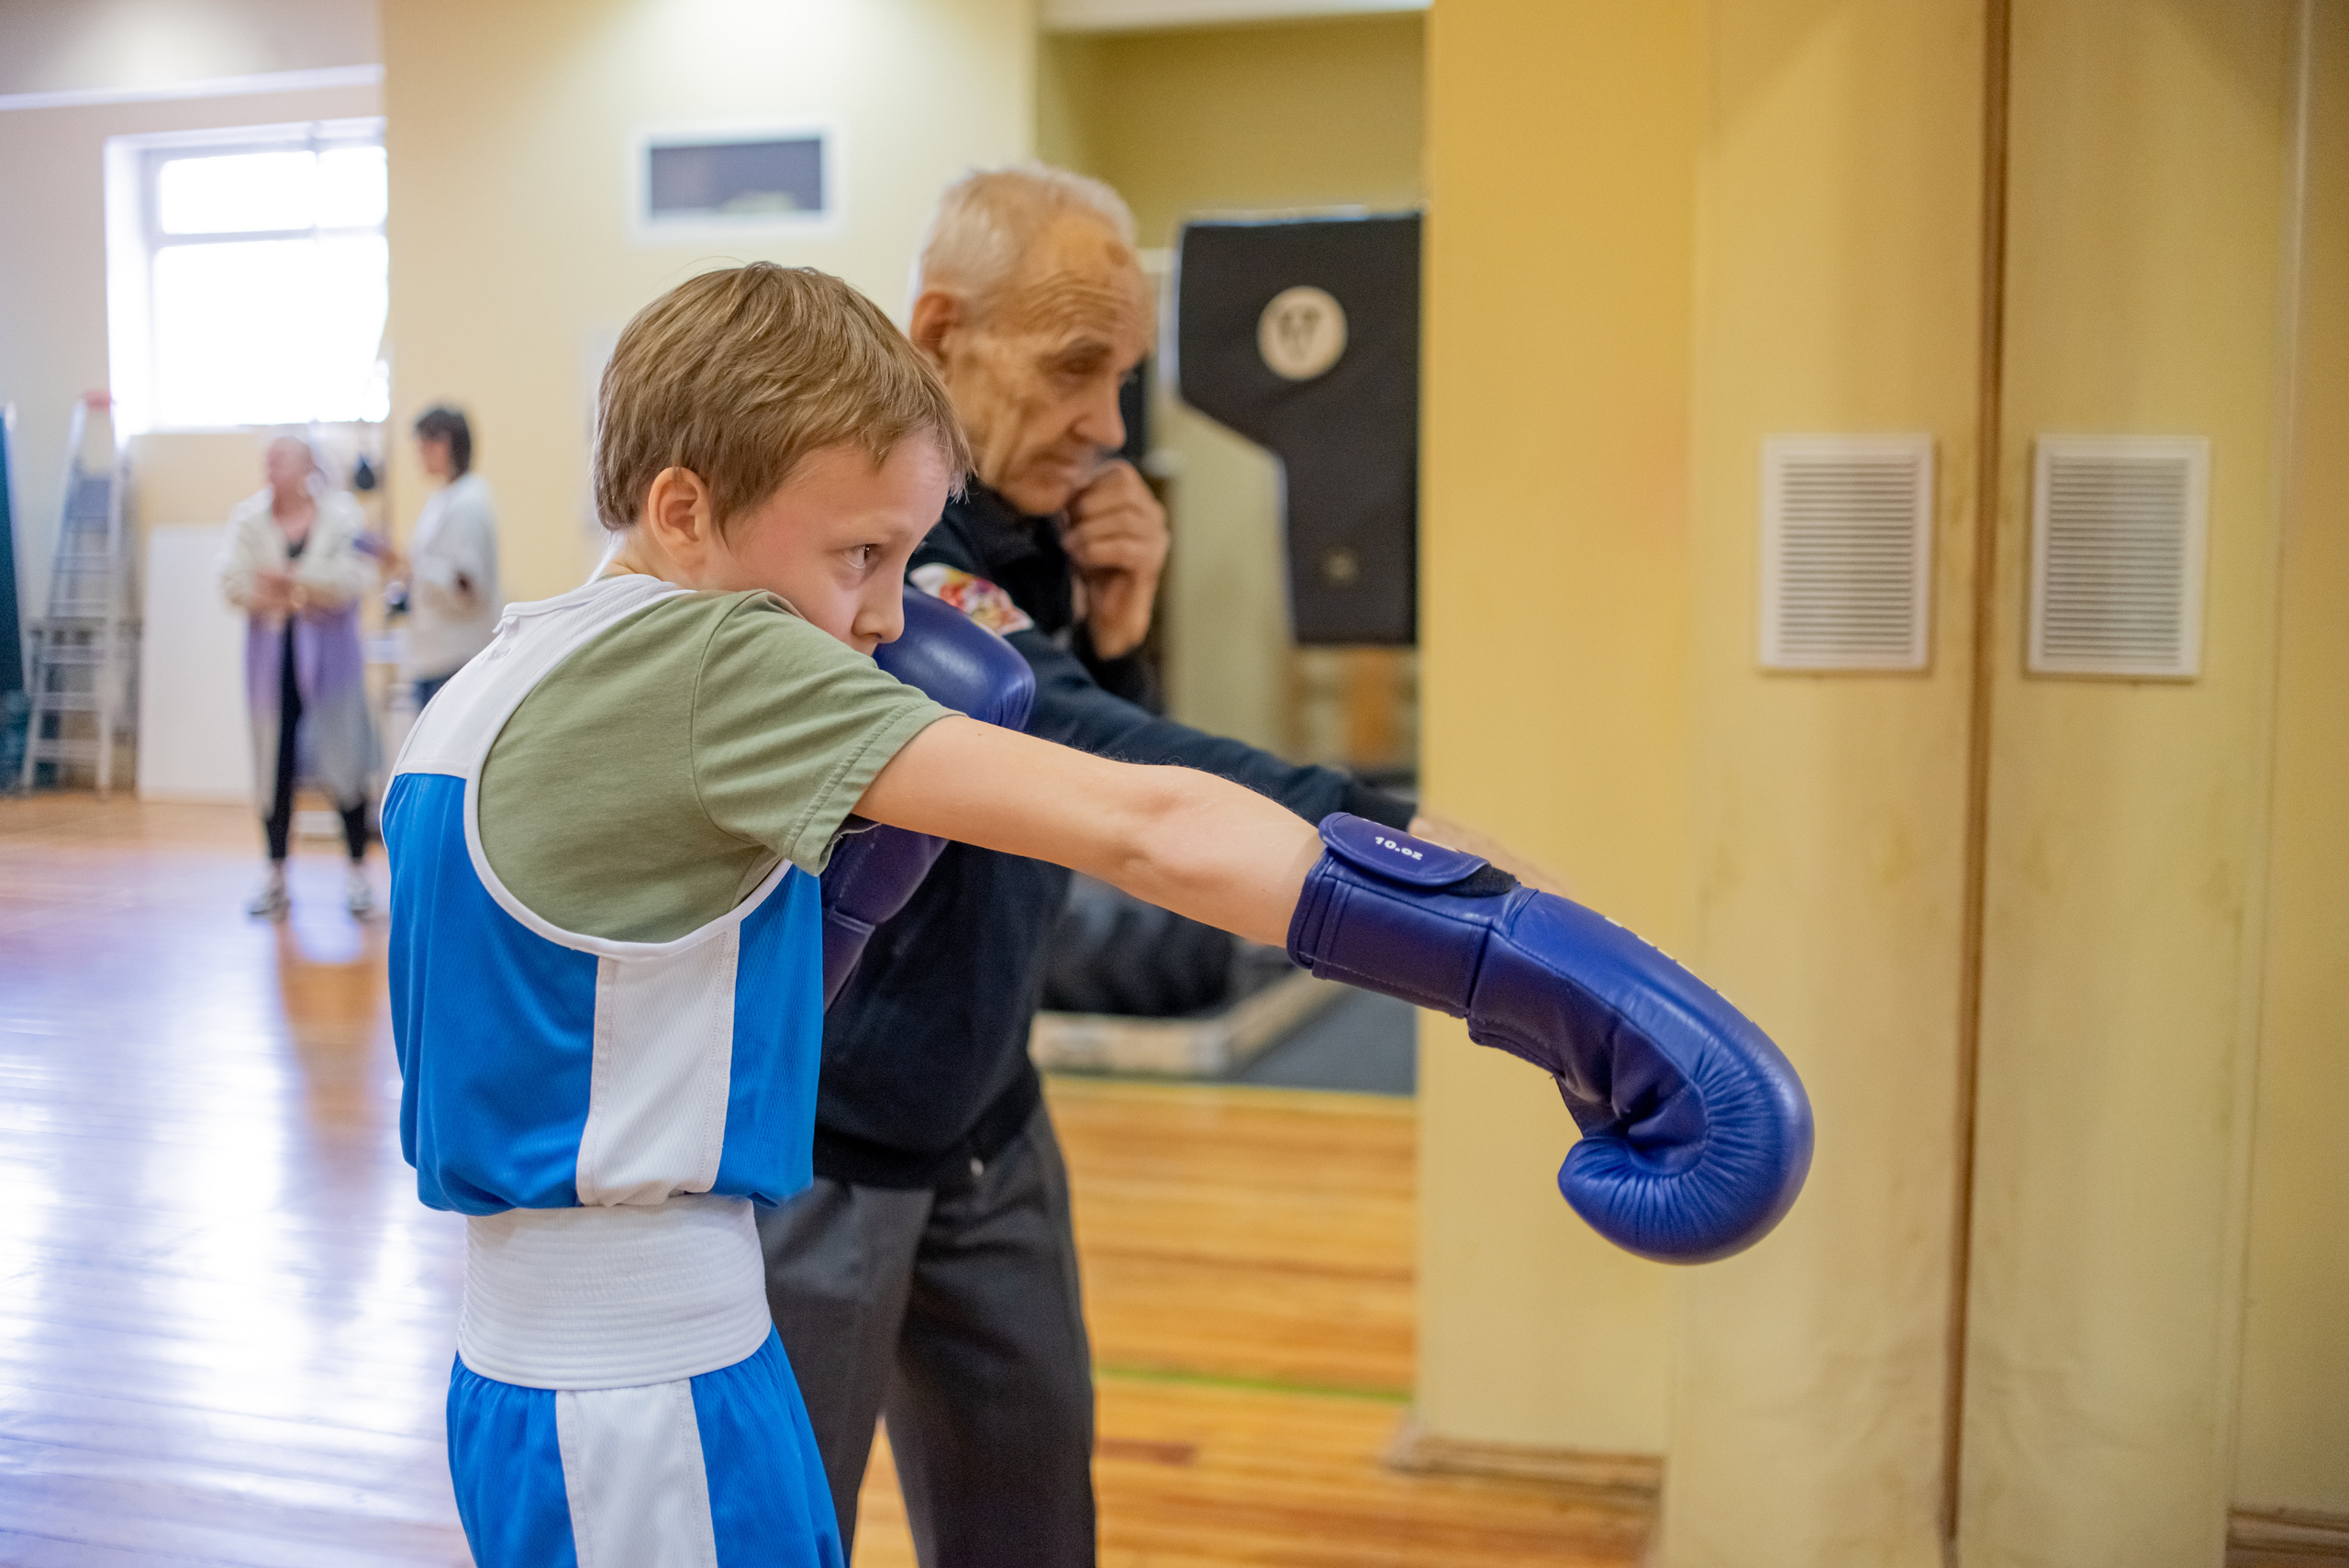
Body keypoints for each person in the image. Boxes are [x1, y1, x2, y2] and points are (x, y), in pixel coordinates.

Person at [381, 260, 1809, 1568]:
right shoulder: (715, 659)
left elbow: (637, 1027)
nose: (885, 619)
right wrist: (1545, 976)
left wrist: (853, 905)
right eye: (859, 556)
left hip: (529, 1375)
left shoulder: (493, 687)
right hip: (653, 1388)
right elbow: (1153, 824)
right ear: (684, 510)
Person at [756, 165, 1504, 1566]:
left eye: (1128, 377)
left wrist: (1119, 619)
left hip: (990, 1121)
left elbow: (1038, 771)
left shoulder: (1038, 533)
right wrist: (1388, 828)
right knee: (785, 1537)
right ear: (938, 333)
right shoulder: (873, 561)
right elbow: (1094, 757)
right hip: (823, 1148)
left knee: (1035, 1538)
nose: (1108, 426)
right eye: (1074, 369)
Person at [219, 436, 380, 918]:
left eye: (280, 459)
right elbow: (232, 581)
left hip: (332, 667)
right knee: (275, 765)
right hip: (273, 666)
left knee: (344, 761)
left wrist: (292, 584)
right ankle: (274, 876)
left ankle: (357, 875)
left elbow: (351, 581)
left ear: (307, 465)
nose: (270, 468)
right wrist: (302, 590)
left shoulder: (343, 515)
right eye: (266, 460)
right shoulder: (249, 519)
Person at [394, 406, 500, 710]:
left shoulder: (468, 503)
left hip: (455, 659)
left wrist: (413, 567)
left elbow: (468, 589)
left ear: (444, 444)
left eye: (423, 446)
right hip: (434, 654)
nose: (419, 455)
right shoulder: (444, 498)